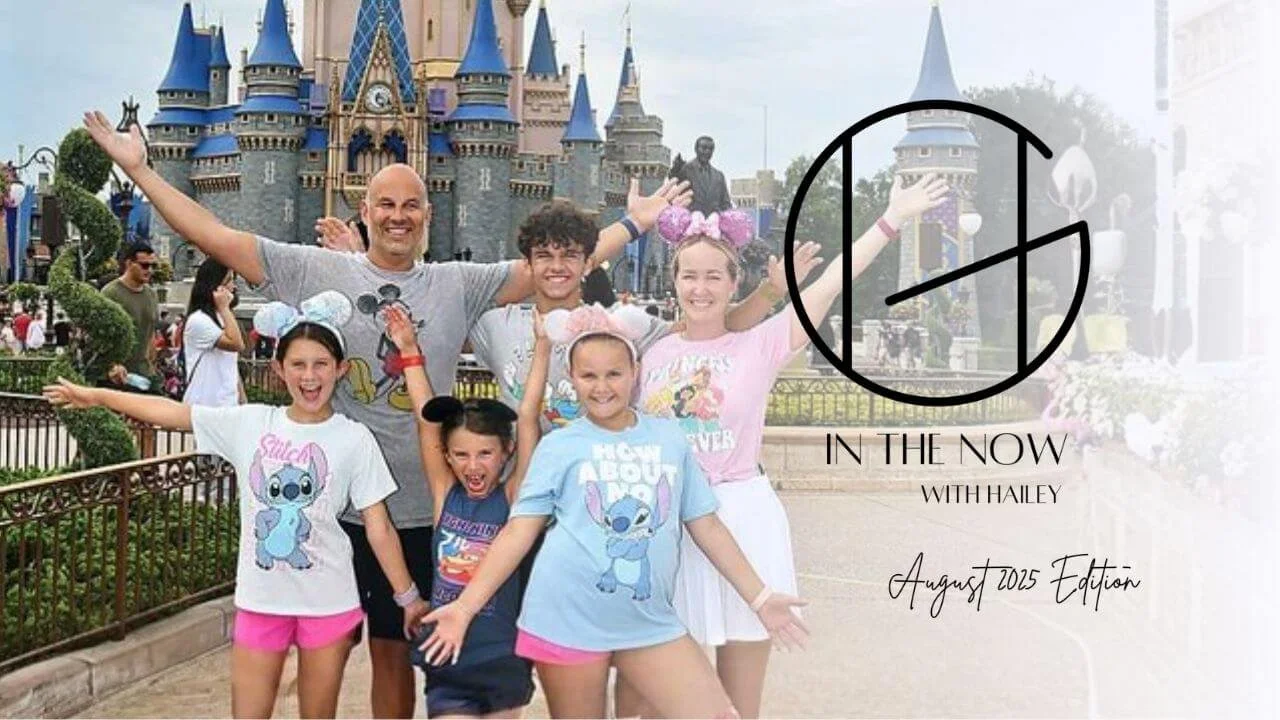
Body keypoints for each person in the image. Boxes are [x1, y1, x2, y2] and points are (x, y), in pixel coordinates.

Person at [84, 108, 690, 719]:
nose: (398, 216)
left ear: (427, 214)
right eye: (386, 205)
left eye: (411, 205)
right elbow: (214, 235)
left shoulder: (459, 282)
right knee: (386, 654)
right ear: (365, 209)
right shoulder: (316, 268)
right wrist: (141, 171)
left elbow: (557, 265)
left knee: (454, 651)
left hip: (443, 509)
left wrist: (631, 227)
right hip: (350, 514)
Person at [627, 173, 948, 718]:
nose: (699, 288)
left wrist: (890, 220)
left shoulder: (762, 341)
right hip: (668, 524)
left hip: (742, 518)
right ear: (673, 282)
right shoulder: (651, 355)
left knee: (737, 702)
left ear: (734, 284)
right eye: (688, 276)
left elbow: (831, 284)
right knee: (664, 699)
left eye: (712, 277)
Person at [43, 291, 430, 719]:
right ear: (279, 369)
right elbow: (172, 413)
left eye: (321, 364)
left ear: (340, 370)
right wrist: (97, 397)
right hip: (261, 600)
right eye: (298, 364)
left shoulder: (354, 438)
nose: (310, 376)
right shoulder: (251, 423)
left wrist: (408, 597)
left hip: (328, 602)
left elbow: (379, 527)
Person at [416, 304, 808, 719]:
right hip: (565, 616)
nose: (601, 387)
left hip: (647, 619)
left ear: (635, 371)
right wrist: (465, 607)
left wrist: (760, 597)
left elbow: (706, 524)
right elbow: (517, 533)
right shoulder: (559, 447)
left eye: (613, 374)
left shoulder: (668, 438)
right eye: (588, 375)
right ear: (572, 378)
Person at [466, 201, 783, 435]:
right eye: (544, 256)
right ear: (528, 264)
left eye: (569, 256)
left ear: (588, 262)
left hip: (591, 488)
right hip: (521, 487)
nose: (557, 267)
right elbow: (438, 337)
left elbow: (715, 326)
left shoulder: (618, 326)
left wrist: (772, 291)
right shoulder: (497, 325)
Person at [387, 305, 547, 718]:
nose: (473, 465)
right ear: (448, 456)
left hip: (500, 658)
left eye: (485, 454)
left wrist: (543, 346)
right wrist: (409, 352)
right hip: (448, 654)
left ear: (505, 452)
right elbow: (426, 423)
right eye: (461, 454)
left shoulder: (513, 499)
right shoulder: (446, 496)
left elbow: (527, 418)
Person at [182, 258, 246, 407]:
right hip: (204, 404)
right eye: (229, 281)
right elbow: (236, 344)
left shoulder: (224, 318)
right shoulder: (199, 320)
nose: (233, 287)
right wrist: (224, 308)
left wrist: (242, 401)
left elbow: (231, 365)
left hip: (227, 404)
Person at [101, 240, 160, 384]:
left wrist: (153, 366)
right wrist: (112, 365)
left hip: (145, 374)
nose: (150, 270)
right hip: (117, 376)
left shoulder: (152, 295)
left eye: (153, 266)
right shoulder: (111, 293)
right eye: (144, 265)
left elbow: (151, 333)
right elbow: (100, 335)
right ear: (129, 264)